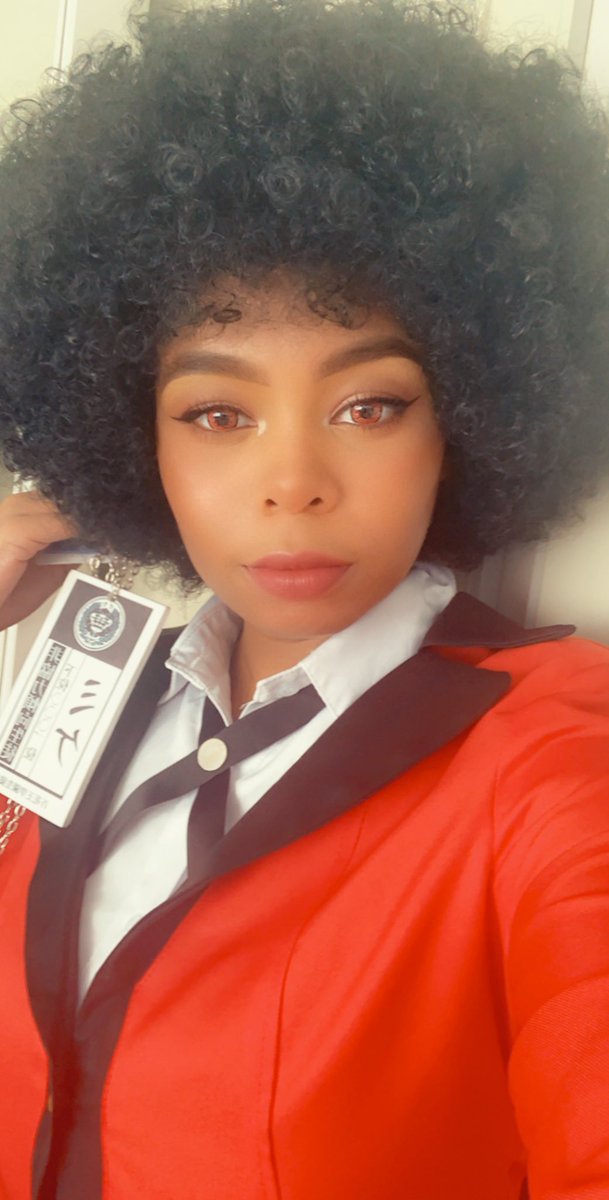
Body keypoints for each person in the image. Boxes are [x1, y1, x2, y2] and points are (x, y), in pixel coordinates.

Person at [0, 0, 608, 1196]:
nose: (294, 483)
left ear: (464, 421)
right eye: (217, 413)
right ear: (134, 439)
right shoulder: (92, 692)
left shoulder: (550, 753)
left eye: (369, 406)